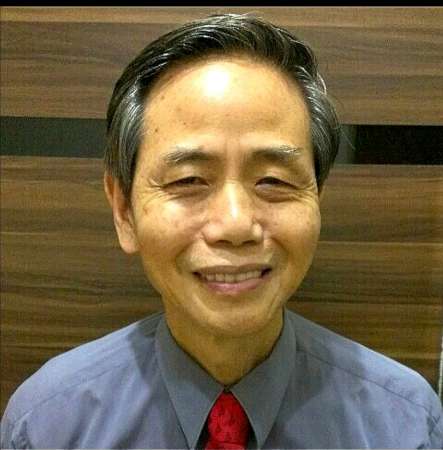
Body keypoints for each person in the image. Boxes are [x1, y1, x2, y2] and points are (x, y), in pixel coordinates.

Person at [1, 13, 442, 449]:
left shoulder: (405, 427)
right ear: (123, 210)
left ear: (316, 202)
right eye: (189, 180)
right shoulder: (46, 427)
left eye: (274, 181)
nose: (235, 224)